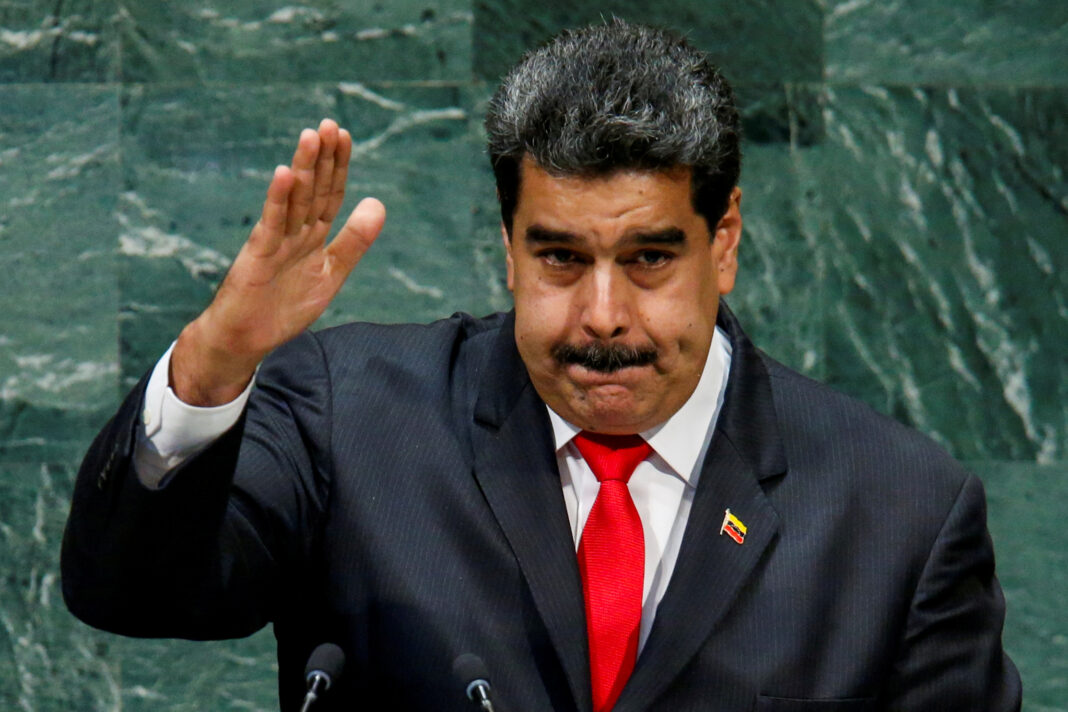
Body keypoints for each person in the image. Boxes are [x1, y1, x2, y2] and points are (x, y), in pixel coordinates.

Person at [62, 19, 1021, 712]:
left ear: (722, 240)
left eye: (649, 258)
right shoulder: (347, 417)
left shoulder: (900, 515)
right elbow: (131, 595)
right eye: (561, 257)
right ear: (510, 247)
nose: (602, 317)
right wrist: (215, 365)